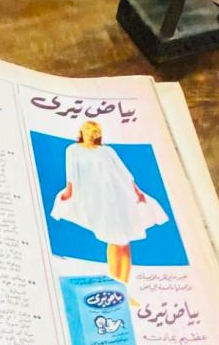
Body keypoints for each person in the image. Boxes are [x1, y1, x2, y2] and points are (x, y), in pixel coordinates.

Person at [50, 120, 169, 286]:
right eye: (87, 131)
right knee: (114, 238)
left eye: (93, 132)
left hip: (117, 193)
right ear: (82, 132)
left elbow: (124, 171)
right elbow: (71, 174)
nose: (89, 135)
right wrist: (69, 192)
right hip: (95, 196)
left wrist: (137, 191)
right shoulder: (72, 150)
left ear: (97, 135)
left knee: (124, 240)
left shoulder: (106, 151)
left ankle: (123, 284)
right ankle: (117, 284)